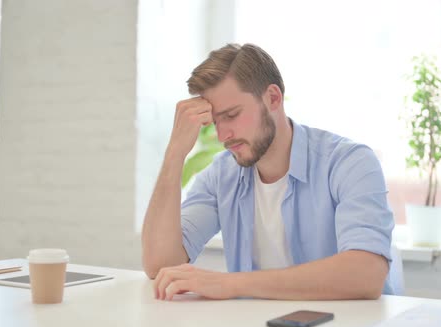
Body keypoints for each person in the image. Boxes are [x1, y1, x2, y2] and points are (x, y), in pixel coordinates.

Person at [141, 43, 396, 301]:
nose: (222, 135)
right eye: (216, 121)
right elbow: (160, 265)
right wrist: (175, 153)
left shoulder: (349, 162)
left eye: (231, 115)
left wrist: (231, 284)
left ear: (273, 98)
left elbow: (367, 273)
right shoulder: (222, 175)